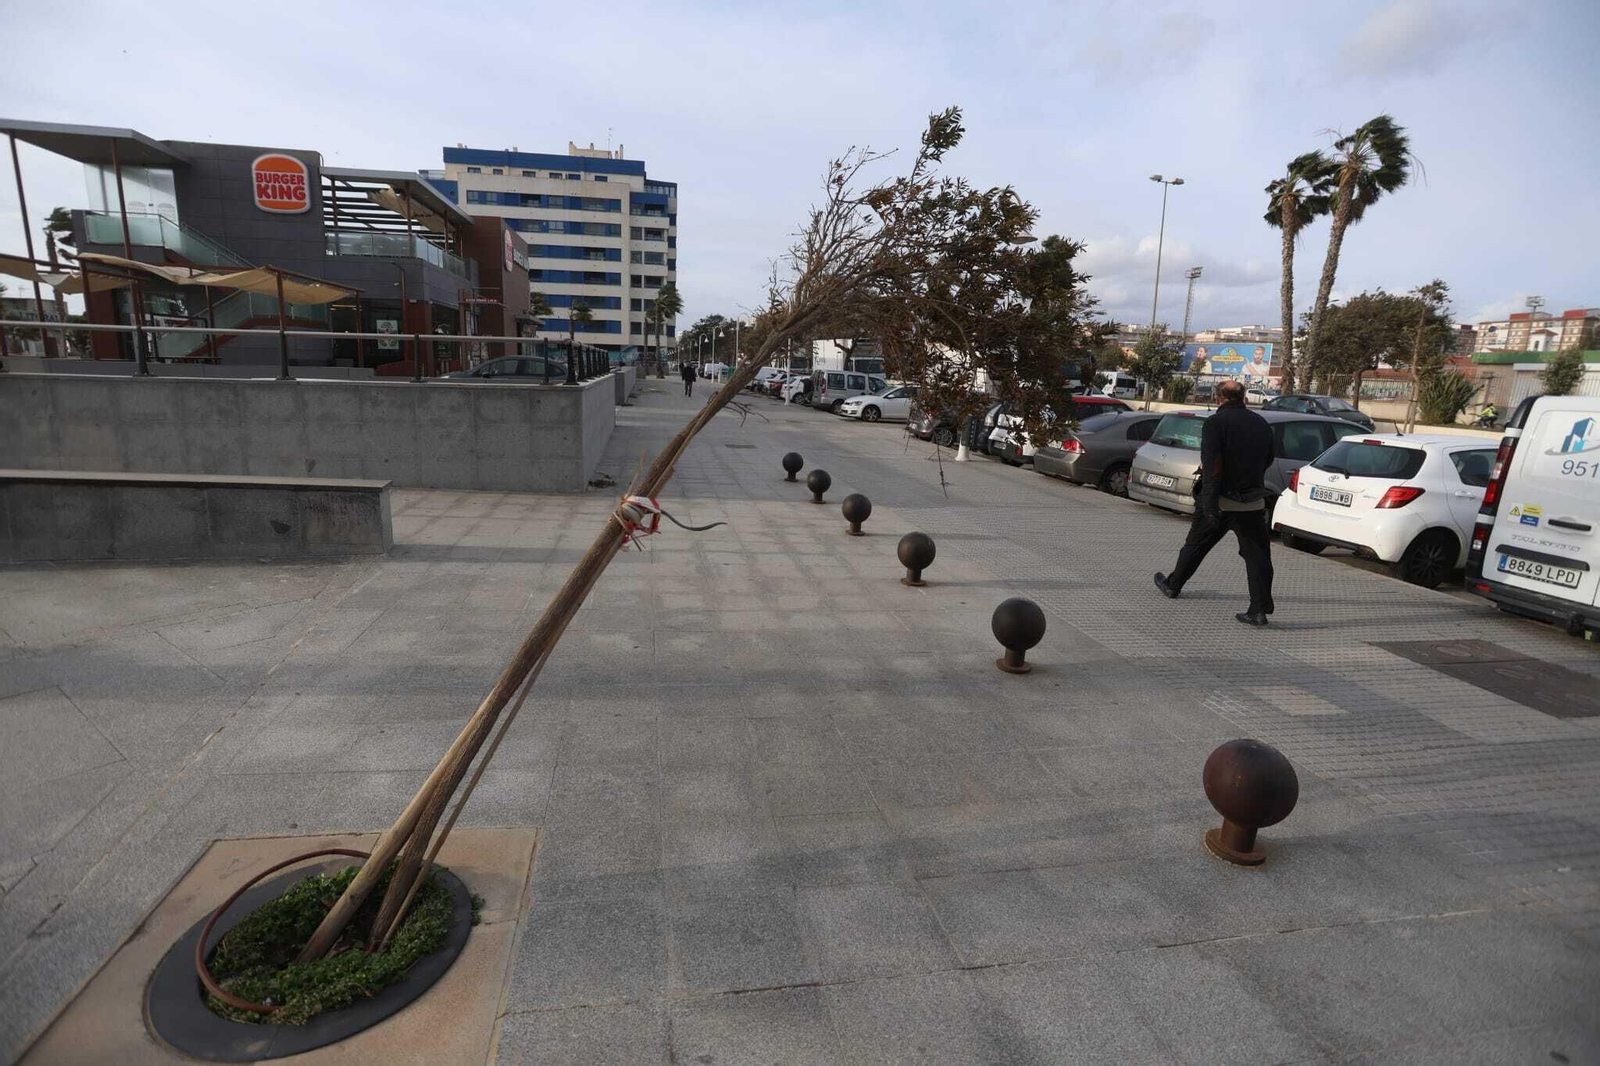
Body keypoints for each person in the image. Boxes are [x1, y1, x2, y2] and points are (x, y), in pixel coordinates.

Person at [1154, 379, 1276, 625]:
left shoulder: (1215, 423)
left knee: (1196, 545)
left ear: (1218, 398)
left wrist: (1209, 505)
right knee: (1257, 556)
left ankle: (1173, 585)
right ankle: (1258, 609)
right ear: (1243, 397)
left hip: (1220, 499)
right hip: (1251, 501)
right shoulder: (1261, 423)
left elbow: (1212, 467)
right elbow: (1269, 458)